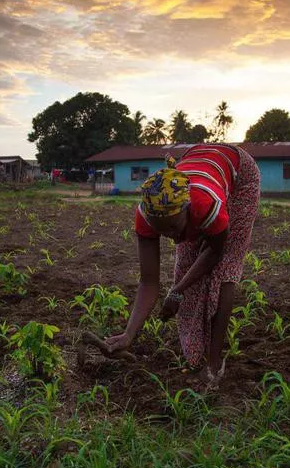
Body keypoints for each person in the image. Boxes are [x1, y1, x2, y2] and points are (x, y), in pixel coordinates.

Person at [105, 144, 260, 389]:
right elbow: (149, 281)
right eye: (161, 230)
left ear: (187, 210)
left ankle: (212, 365)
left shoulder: (205, 206)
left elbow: (216, 252)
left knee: (224, 271)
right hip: (198, 170)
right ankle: (195, 354)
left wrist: (177, 291)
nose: (170, 237)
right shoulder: (148, 214)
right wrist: (129, 334)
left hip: (240, 172)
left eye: (174, 228)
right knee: (184, 266)